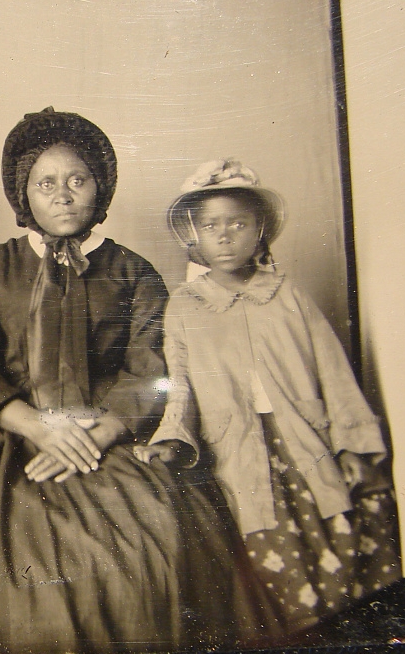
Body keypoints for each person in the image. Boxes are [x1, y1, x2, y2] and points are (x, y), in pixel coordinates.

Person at [0, 109, 281, 653]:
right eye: (46, 184)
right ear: (24, 195)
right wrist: (39, 428)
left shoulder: (133, 272)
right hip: (15, 438)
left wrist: (95, 437)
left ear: (101, 187)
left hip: (109, 437)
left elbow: (150, 368)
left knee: (157, 535)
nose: (64, 196)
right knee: (25, 559)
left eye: (78, 180)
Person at [136, 159, 401, 633]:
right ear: (193, 236)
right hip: (238, 450)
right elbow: (181, 385)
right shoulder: (185, 306)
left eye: (238, 223)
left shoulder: (287, 294)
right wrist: (172, 436)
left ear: (259, 231)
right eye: (211, 226)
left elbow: (333, 372)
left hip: (304, 441)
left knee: (338, 532)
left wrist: (353, 442)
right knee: (268, 552)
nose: (224, 236)